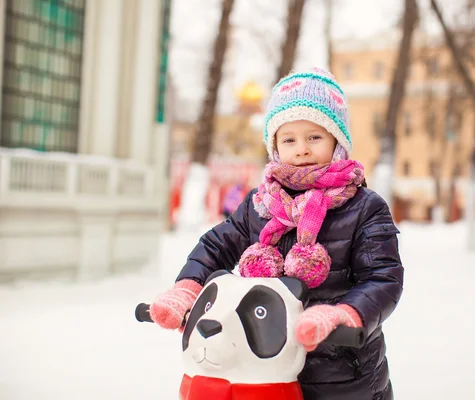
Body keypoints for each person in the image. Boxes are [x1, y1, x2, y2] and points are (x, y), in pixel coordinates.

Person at [149, 67, 404, 400]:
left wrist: (343, 315)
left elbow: (382, 278)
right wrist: (187, 289)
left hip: (341, 375)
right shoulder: (260, 204)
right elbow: (216, 246)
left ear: (337, 141)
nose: (301, 149)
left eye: (314, 137)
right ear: (274, 146)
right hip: (263, 370)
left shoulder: (364, 208)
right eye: (289, 139)